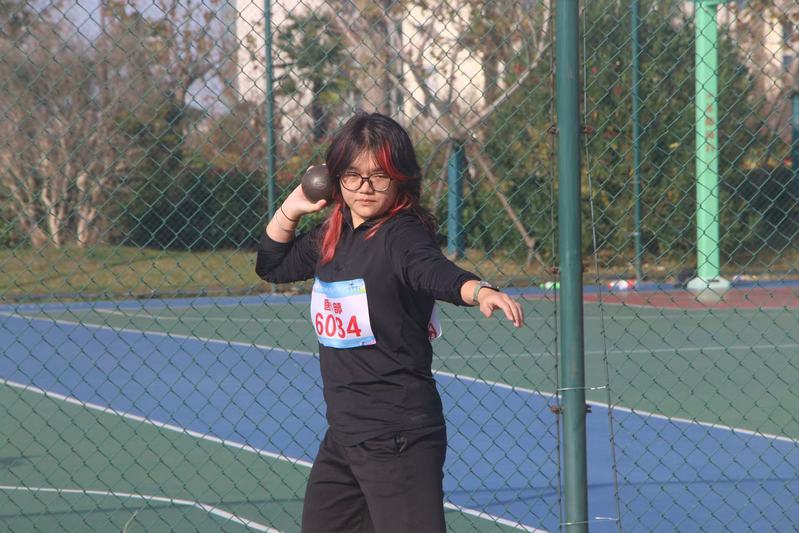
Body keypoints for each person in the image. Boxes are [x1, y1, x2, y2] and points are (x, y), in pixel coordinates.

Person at [255, 112, 523, 533]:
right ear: (335, 178)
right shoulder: (334, 234)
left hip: (398, 437)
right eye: (352, 175)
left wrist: (478, 290)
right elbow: (271, 265)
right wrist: (293, 207)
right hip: (345, 437)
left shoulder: (400, 235)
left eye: (379, 176)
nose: (364, 187)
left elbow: (432, 269)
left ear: (401, 179)